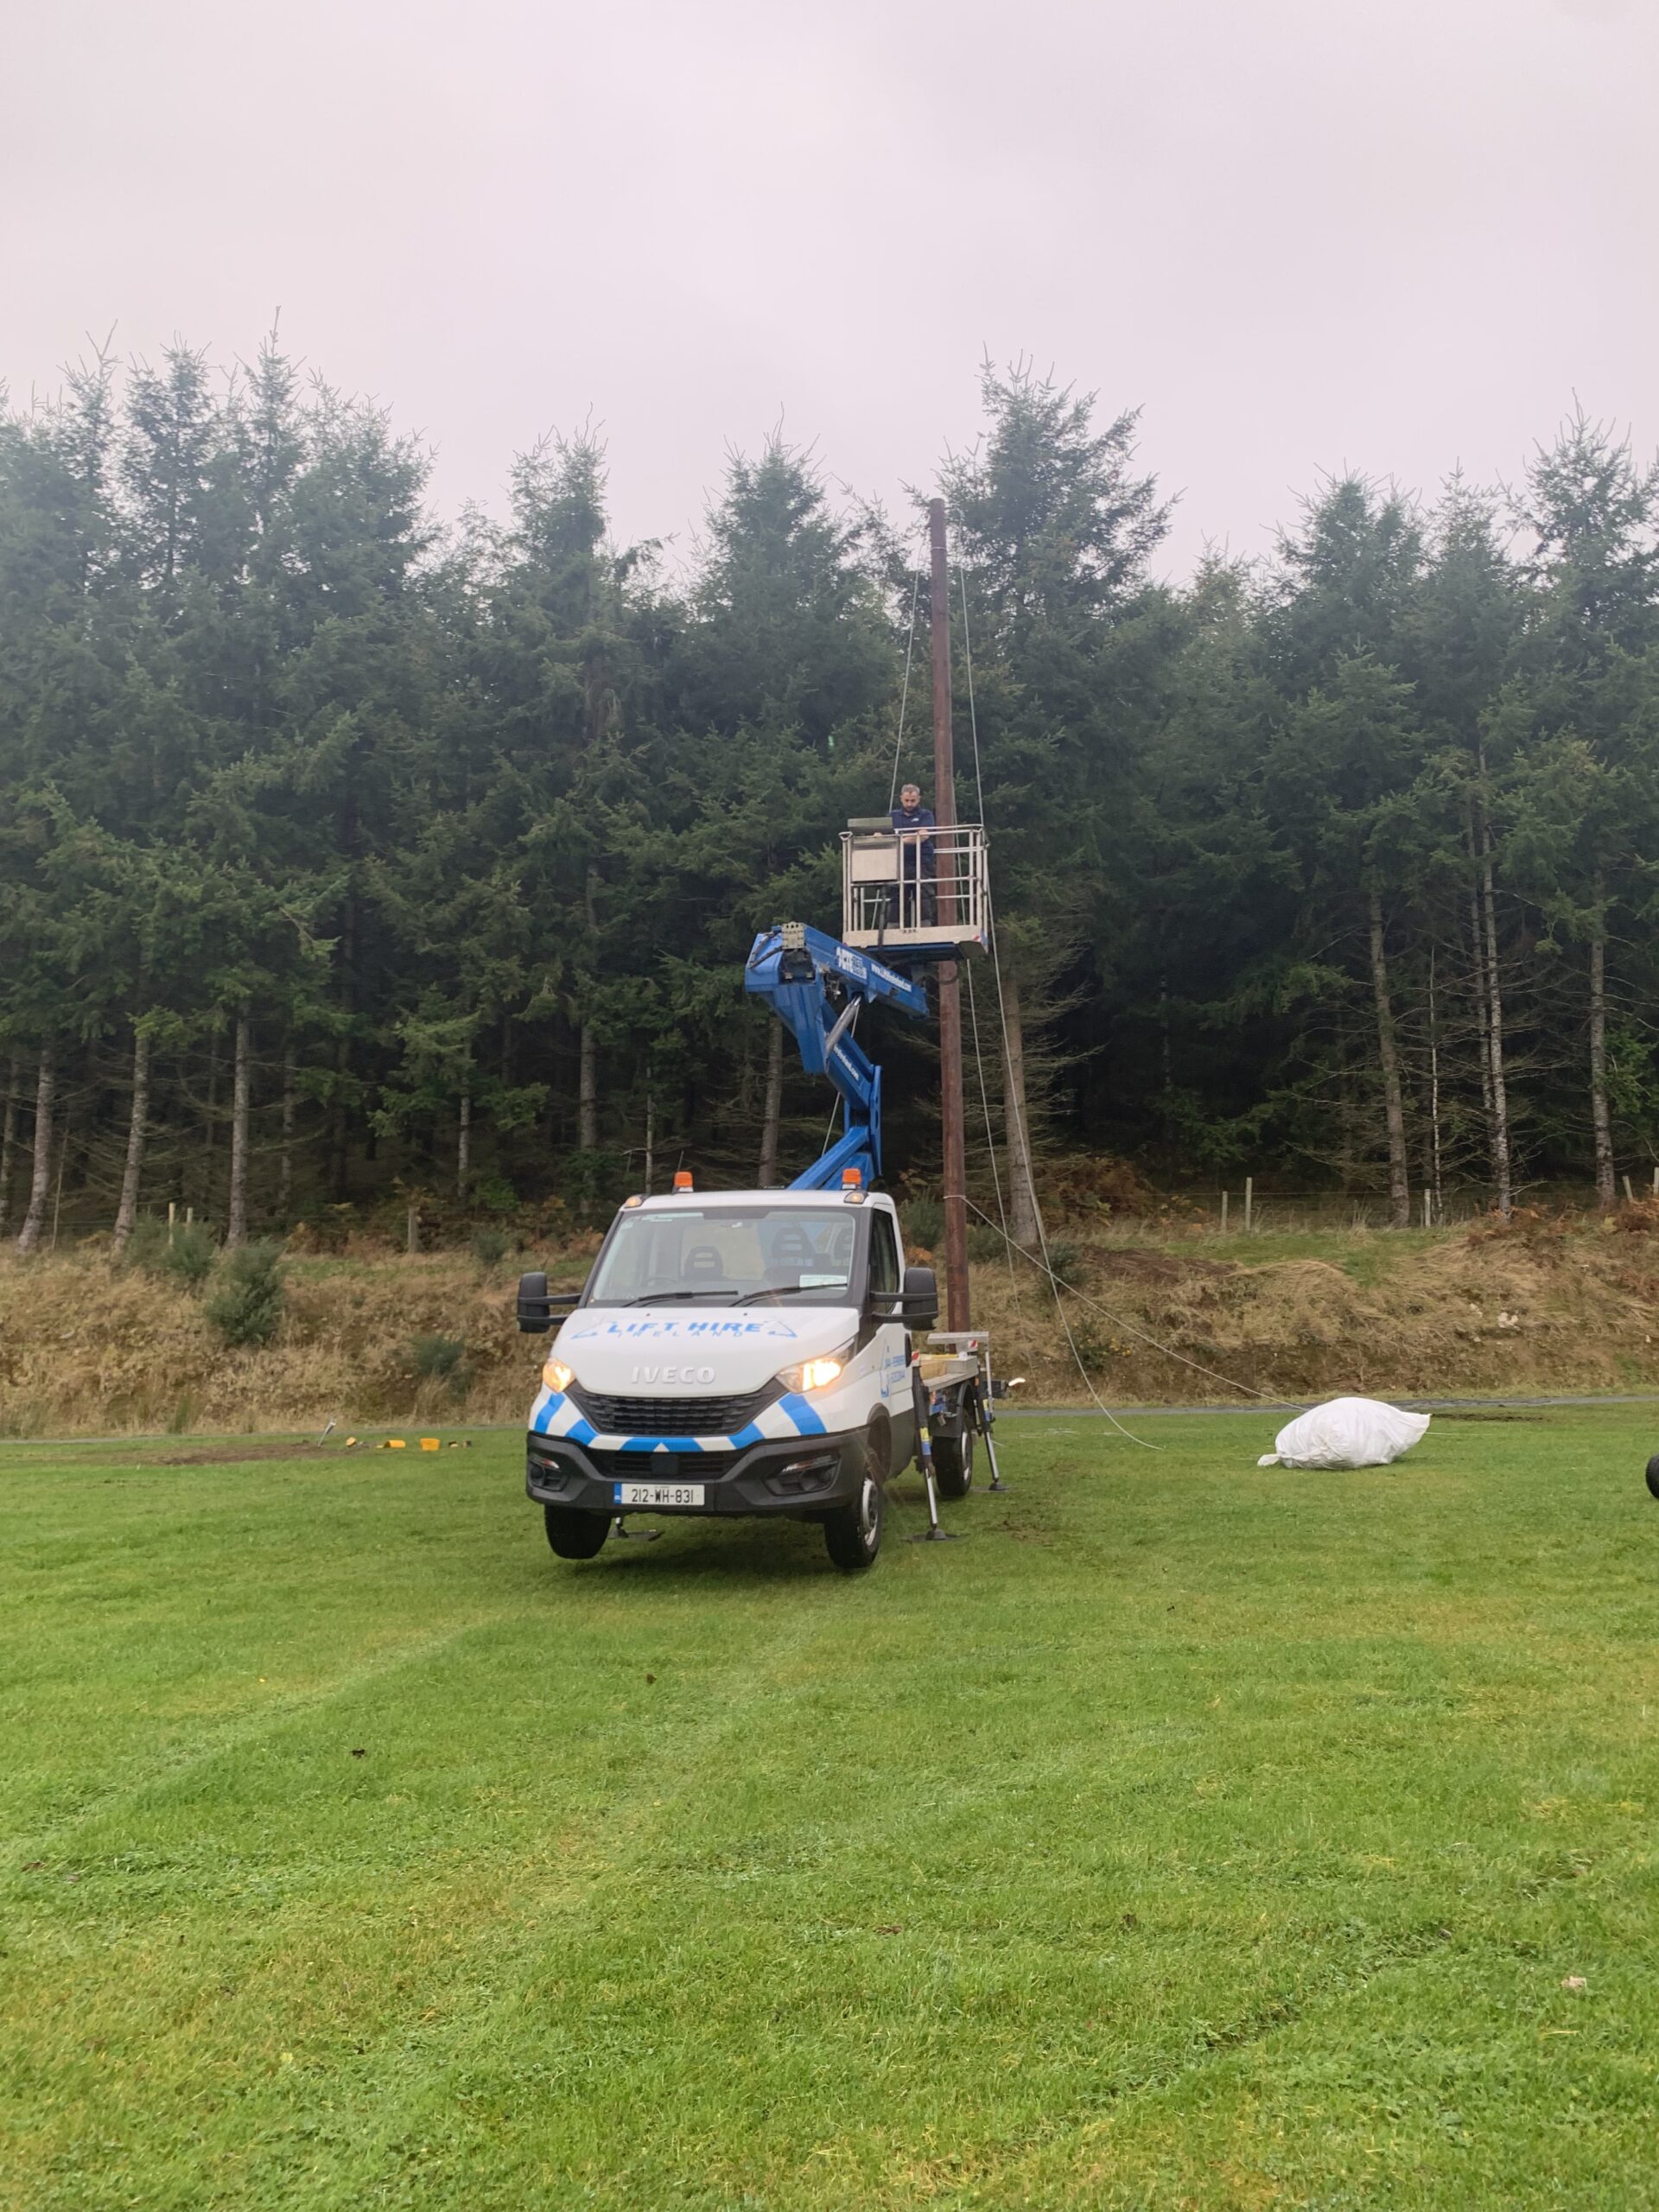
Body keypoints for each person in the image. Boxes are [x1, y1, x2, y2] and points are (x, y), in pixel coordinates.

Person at [890, 782, 937, 927]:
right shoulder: (893, 816)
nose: (909, 804)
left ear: (919, 799)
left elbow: (923, 835)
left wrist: (899, 840)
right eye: (907, 800)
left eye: (913, 800)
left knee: (922, 892)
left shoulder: (926, 815)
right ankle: (893, 924)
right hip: (900, 861)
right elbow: (883, 833)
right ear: (901, 798)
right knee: (897, 893)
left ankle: (925, 925)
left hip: (922, 859)